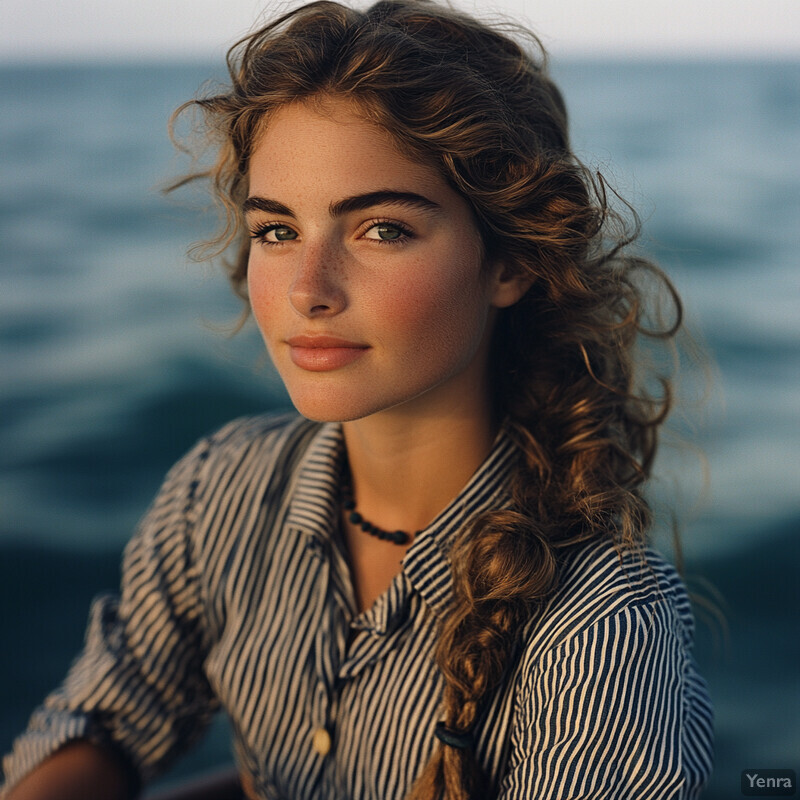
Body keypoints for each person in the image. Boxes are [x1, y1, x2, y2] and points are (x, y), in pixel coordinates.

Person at [1, 1, 714, 798]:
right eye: (277, 231)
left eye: (381, 229)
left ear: (511, 263)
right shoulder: (219, 491)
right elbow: (102, 721)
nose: (308, 290)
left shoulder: (602, 624)